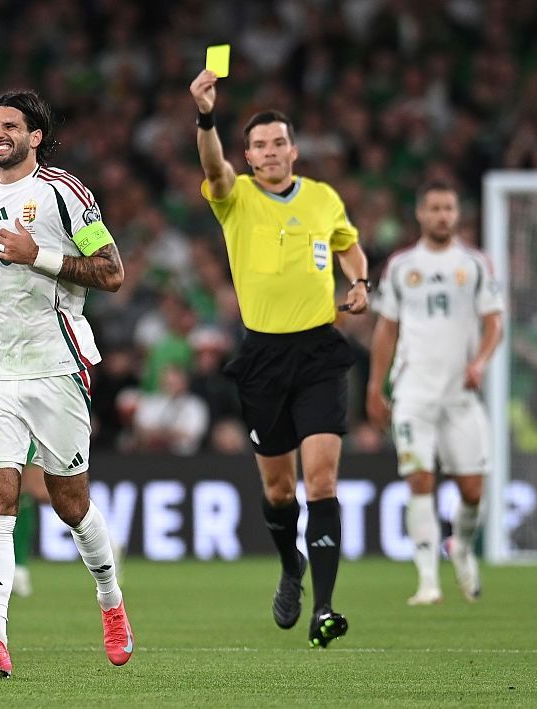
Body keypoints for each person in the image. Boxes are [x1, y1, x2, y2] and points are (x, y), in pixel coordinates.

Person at [0, 89, 132, 679]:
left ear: (35, 136)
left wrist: (40, 256)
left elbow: (113, 272)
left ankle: (110, 600)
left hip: (56, 364)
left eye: (9, 126)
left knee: (72, 503)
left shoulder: (63, 193)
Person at [190, 70, 370, 648]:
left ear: (293, 149)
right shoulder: (234, 195)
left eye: (278, 143)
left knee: (321, 482)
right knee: (279, 491)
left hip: (319, 350)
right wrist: (205, 117)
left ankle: (325, 608)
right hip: (264, 356)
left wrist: (361, 281)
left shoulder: (322, 197)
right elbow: (213, 167)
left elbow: (347, 243)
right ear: (248, 155)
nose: (270, 153)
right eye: (259, 146)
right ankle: (290, 566)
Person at [366, 180, 504, 605]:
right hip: (414, 393)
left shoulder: (476, 263)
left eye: (449, 208)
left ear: (457, 214)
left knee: (472, 491)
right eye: (435, 208)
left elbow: (494, 322)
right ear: (420, 215)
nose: (442, 215)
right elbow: (386, 328)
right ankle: (428, 581)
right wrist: (377, 384)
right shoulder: (402, 266)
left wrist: (479, 361)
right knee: (419, 480)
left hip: (460, 396)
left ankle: (460, 546)